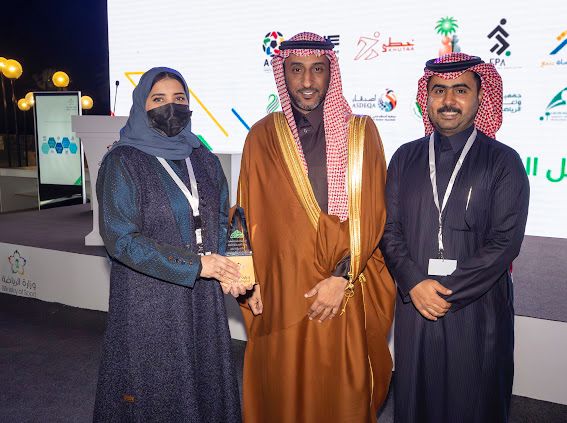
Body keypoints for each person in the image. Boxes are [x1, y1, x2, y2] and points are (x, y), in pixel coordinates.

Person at [236, 32, 396, 422]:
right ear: (283, 73)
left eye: (317, 69)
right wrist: (246, 280)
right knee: (283, 384)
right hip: (282, 287)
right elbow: (243, 213)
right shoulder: (261, 135)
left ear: (330, 73)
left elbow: (372, 212)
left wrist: (342, 277)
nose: (307, 81)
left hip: (342, 285)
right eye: (297, 70)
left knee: (339, 389)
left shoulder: (361, 133)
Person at [380, 53, 530, 423]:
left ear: (480, 98)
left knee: (473, 399)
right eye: (439, 91)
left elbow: (505, 242)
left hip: (477, 306)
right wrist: (415, 283)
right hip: (416, 302)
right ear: (426, 97)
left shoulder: (503, 161)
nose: (448, 100)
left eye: (460, 90)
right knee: (416, 398)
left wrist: (445, 291)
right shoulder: (404, 157)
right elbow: (389, 229)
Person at [93, 67, 247, 422]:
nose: (171, 107)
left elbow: (219, 220)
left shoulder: (204, 159)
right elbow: (121, 240)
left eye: (179, 98)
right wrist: (195, 265)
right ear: (141, 105)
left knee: (204, 382)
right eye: (158, 99)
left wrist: (230, 269)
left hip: (203, 295)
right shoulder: (123, 162)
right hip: (149, 299)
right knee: (158, 389)